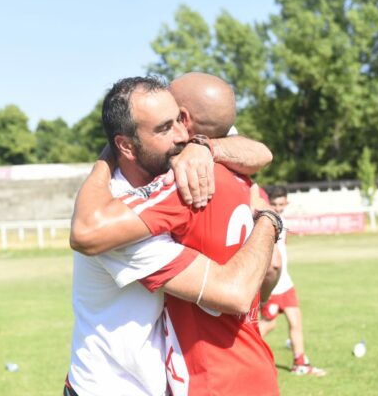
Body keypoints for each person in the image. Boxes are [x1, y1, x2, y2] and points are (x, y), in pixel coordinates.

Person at [68, 73, 280, 395]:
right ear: (125, 145)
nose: (183, 135)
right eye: (166, 127)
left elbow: (259, 151)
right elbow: (234, 292)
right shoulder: (117, 221)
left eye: (180, 120)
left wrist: (207, 146)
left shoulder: (180, 162)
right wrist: (269, 219)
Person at [259, 185, 327, 377]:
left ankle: (300, 363)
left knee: (295, 319)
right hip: (271, 284)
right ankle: (242, 354)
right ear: (267, 202)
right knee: (269, 324)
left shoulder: (282, 219)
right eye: (275, 204)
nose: (278, 208)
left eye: (282, 204)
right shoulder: (264, 221)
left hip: (285, 282)